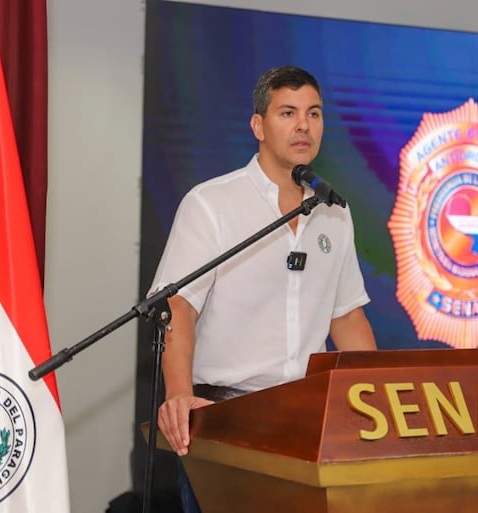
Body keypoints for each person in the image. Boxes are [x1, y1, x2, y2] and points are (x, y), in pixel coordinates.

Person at [148, 65, 377, 512]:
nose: (303, 126)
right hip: (226, 422)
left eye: (313, 114)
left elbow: (347, 317)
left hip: (308, 424)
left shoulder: (334, 212)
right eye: (287, 113)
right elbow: (177, 307)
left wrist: (382, 404)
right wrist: (177, 393)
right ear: (258, 125)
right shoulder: (212, 204)